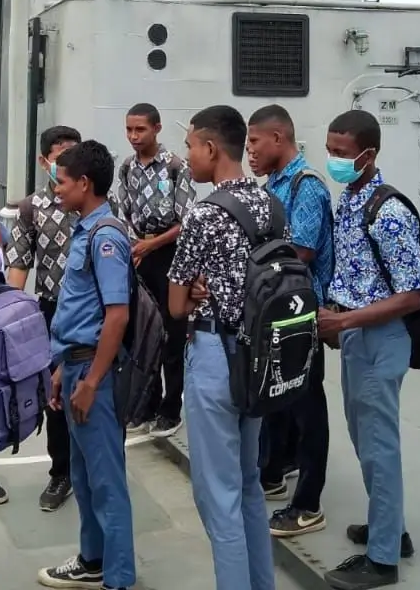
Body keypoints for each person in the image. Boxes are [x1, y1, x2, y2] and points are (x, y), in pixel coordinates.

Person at [165, 105, 277, 590]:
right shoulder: (271, 204)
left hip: (214, 354)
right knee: (248, 483)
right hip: (259, 357)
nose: (188, 155)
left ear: (211, 148)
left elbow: (175, 304)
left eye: (191, 145)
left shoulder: (205, 213)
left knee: (218, 494)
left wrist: (194, 292)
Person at [319, 109, 420, 590]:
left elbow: (412, 295)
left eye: (341, 153)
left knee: (380, 445)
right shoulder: (351, 200)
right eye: (330, 150)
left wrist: (344, 320)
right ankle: (391, 527)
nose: (333, 160)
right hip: (356, 335)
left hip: (380, 338)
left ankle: (382, 561)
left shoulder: (388, 213)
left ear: (368, 154)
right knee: (364, 438)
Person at [37, 139, 135, 590]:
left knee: (107, 480)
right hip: (75, 365)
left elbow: (117, 316)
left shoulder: (105, 237)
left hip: (96, 373)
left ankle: (119, 577)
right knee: (84, 474)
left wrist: (92, 380)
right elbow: (84, 312)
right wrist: (64, 370)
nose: (56, 189)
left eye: (61, 181)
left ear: (84, 183)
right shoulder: (85, 229)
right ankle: (93, 559)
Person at [245, 104, 333, 538]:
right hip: (276, 311)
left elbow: (301, 251)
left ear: (278, 138)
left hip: (301, 313)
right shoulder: (274, 184)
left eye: (254, 141)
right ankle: (273, 471)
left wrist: (249, 266)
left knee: (307, 404)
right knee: (275, 395)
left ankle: (308, 503)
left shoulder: (306, 186)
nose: (249, 151)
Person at [5, 125, 83, 512]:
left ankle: (96, 468)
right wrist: (9, 320)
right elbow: (19, 266)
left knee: (99, 389)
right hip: (52, 309)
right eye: (59, 157)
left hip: (96, 309)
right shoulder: (30, 208)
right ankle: (61, 471)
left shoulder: (99, 203)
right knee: (56, 394)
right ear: (43, 161)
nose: (66, 163)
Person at [110, 102, 195, 436]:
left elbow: (185, 220)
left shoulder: (176, 166)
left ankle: (171, 409)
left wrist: (153, 244)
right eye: (129, 129)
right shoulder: (127, 168)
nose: (134, 136)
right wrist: (135, 244)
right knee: (144, 331)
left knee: (172, 332)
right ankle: (147, 403)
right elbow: (124, 211)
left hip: (169, 253)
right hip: (139, 253)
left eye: (140, 129)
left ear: (157, 128)